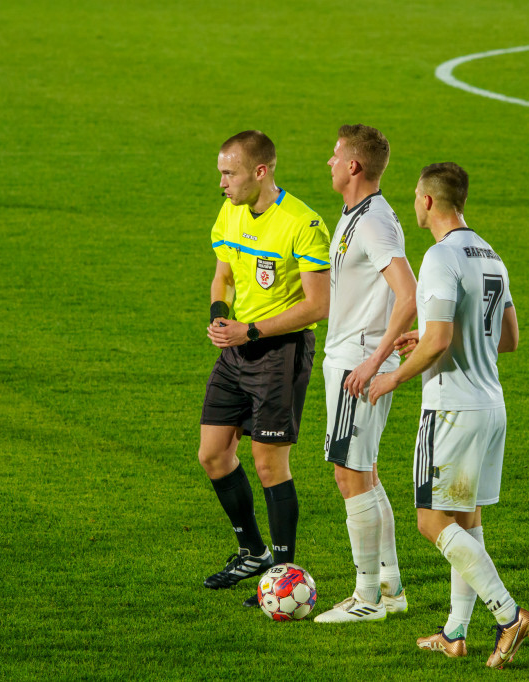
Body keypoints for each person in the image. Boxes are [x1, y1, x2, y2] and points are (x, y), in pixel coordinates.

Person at [369, 163, 529, 668]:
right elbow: (507, 340)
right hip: (491, 406)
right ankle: (455, 632)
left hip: (451, 409)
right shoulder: (490, 255)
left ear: (427, 202)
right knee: (466, 519)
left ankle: (509, 615)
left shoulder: (440, 257)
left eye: (416, 196)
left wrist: (392, 376)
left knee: (431, 521)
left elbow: (441, 339)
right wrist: (432, 335)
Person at [199, 130, 331, 608]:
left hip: (280, 352)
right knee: (213, 454)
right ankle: (252, 551)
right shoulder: (231, 212)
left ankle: (283, 572)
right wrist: (220, 314)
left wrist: (251, 330)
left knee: (268, 463)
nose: (222, 182)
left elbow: (319, 305)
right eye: (221, 172)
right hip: (236, 348)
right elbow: (225, 274)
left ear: (261, 171)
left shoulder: (302, 223)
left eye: (229, 173)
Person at [311, 125, 417, 624]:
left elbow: (409, 293)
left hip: (359, 364)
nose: (329, 163)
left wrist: (373, 360)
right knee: (365, 474)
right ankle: (390, 587)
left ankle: (366, 598)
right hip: (350, 358)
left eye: (335, 156)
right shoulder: (357, 215)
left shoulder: (374, 223)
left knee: (348, 474)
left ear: (354, 166)